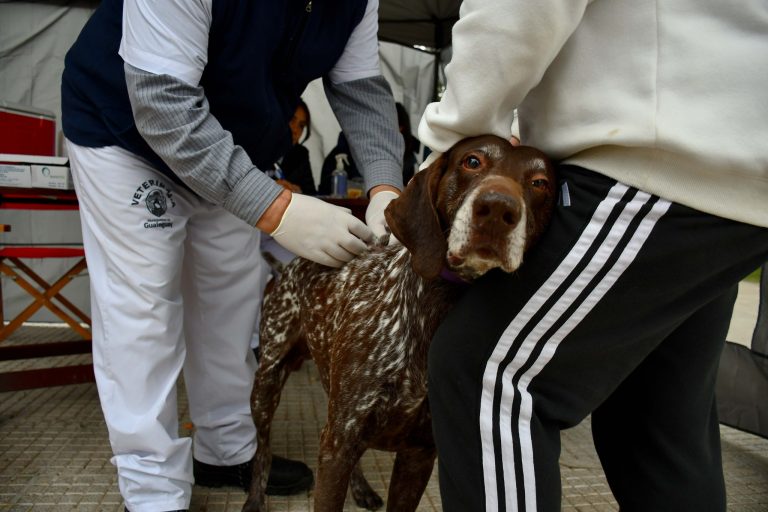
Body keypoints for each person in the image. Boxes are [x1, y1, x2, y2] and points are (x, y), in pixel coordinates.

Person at [417, 1, 768, 511]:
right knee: (654, 417)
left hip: (658, 161)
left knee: (488, 376)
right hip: (732, 164)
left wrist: (450, 140)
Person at [60, 0, 404, 510]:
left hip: (234, 145)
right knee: (144, 309)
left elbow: (360, 91)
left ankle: (226, 450)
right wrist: (278, 209)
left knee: (231, 301)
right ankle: (153, 489)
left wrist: (385, 190)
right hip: (126, 132)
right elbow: (162, 104)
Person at [271, 99, 317, 195]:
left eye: (301, 126)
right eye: (292, 120)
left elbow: (311, 192)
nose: (295, 130)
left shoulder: (301, 154)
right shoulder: (256, 149)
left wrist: (298, 191)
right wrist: (270, 187)